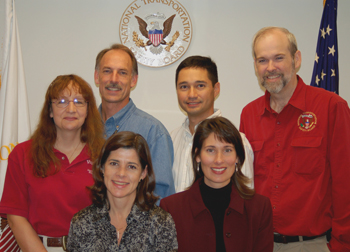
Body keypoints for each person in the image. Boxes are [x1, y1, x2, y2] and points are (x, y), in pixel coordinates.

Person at [240, 27, 350, 251]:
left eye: (278, 58)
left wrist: (341, 244)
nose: (270, 68)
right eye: (262, 60)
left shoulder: (331, 107)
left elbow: (345, 182)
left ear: (296, 59)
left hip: (313, 244)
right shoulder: (249, 114)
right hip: (259, 243)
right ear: (255, 66)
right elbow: (244, 183)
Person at [0, 74, 104, 251]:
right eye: (62, 101)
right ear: (50, 110)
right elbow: (15, 216)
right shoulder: (23, 154)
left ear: (88, 111)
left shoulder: (105, 156)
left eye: (79, 102)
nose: (71, 109)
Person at [161, 117, 273, 252]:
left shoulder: (259, 208)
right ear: (197, 155)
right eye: (210, 150)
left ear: (237, 157)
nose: (219, 160)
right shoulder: (171, 208)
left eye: (227, 150)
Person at [67, 131, 178, 251]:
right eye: (114, 163)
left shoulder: (160, 223)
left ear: (143, 173)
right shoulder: (81, 222)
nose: (121, 173)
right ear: (102, 167)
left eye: (131, 166)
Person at [94, 44, 175, 200]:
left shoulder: (153, 132)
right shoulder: (82, 128)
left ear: (133, 80)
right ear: (97, 77)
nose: (113, 79)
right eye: (107, 71)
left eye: (122, 73)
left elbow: (160, 198)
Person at [171, 56, 254, 192]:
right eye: (184, 87)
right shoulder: (171, 139)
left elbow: (246, 202)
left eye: (200, 86)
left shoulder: (237, 142)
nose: (192, 94)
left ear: (216, 89)